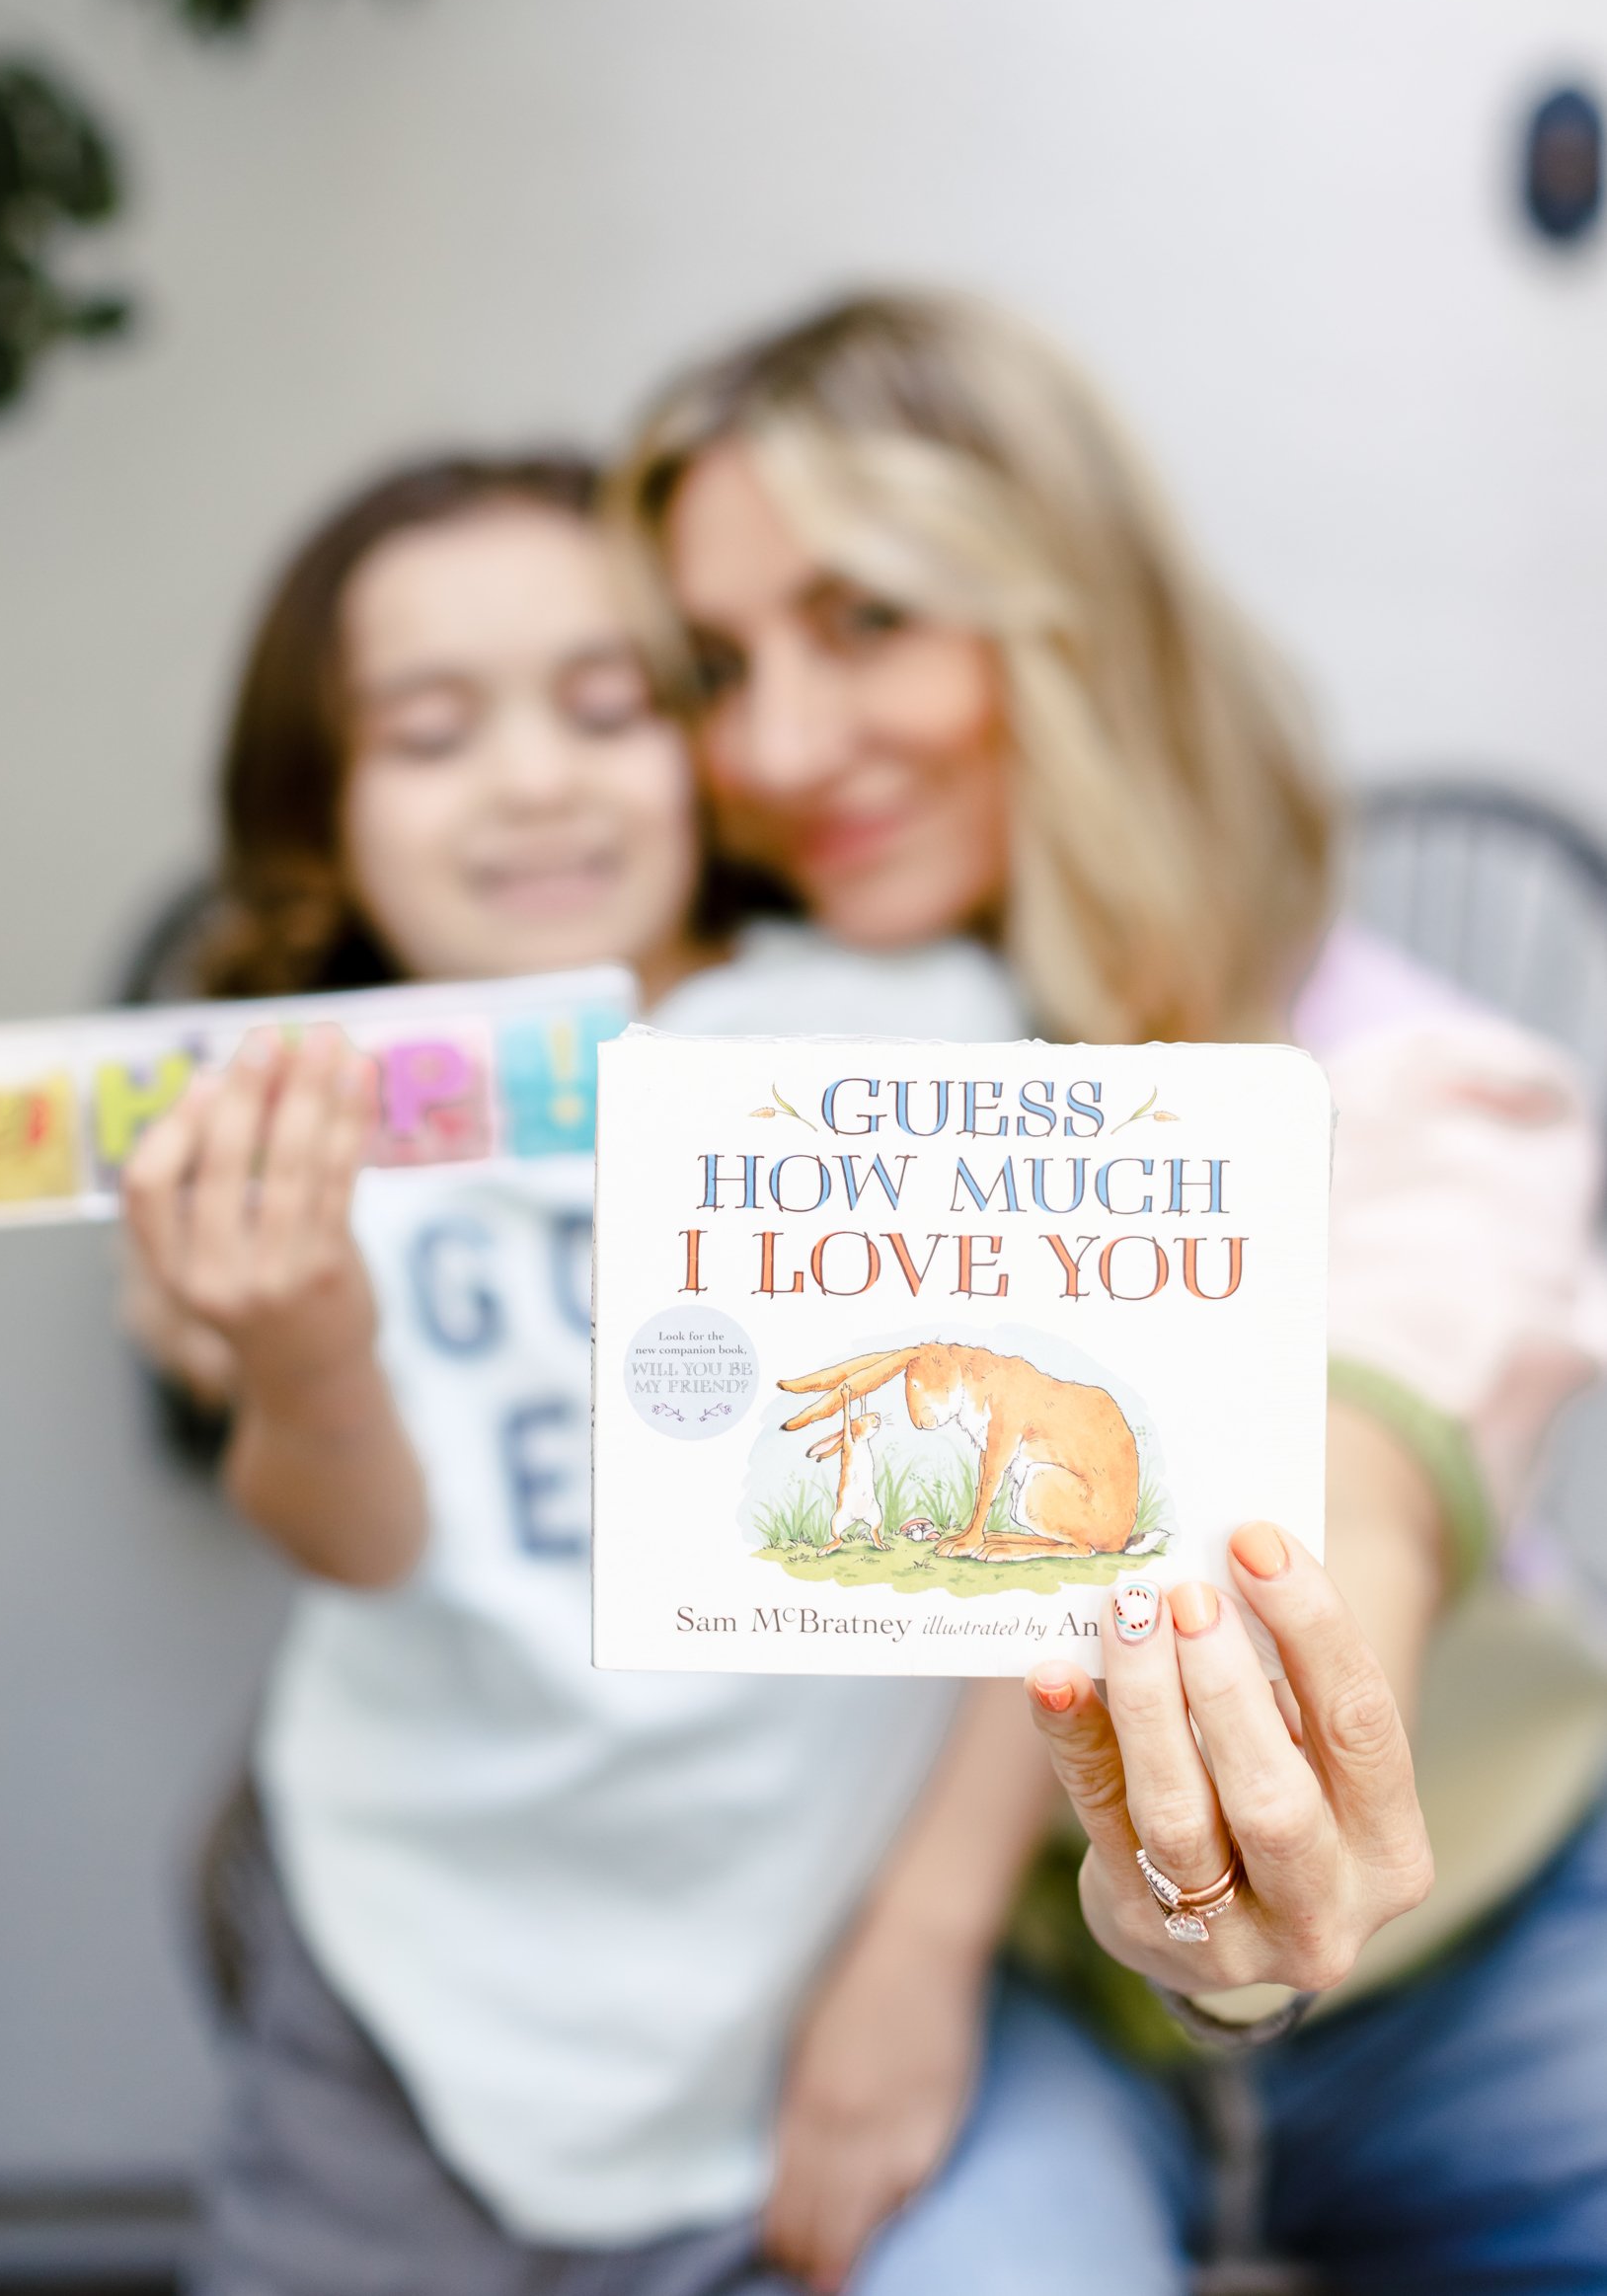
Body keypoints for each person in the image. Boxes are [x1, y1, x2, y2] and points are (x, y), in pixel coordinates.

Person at [615, 290, 1607, 2293]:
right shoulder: (715, 1088)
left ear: (1068, 613)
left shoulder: (1424, 1103)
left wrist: (1260, 1833)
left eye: (867, 618)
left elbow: (1355, 1473)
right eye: (720, 665)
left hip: (1483, 1941)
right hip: (1028, 2022)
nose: (778, 747)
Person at [119, 450, 1092, 2296]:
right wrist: (308, 1361)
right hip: (395, 1986)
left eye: (607, 706)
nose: (537, 781)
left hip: (787, 1984)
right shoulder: (278, 1117)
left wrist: (922, 1945)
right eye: (429, 733)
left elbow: (1054, 1567)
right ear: (322, 817)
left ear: (703, 753)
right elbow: (355, 1542)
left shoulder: (902, 1033)